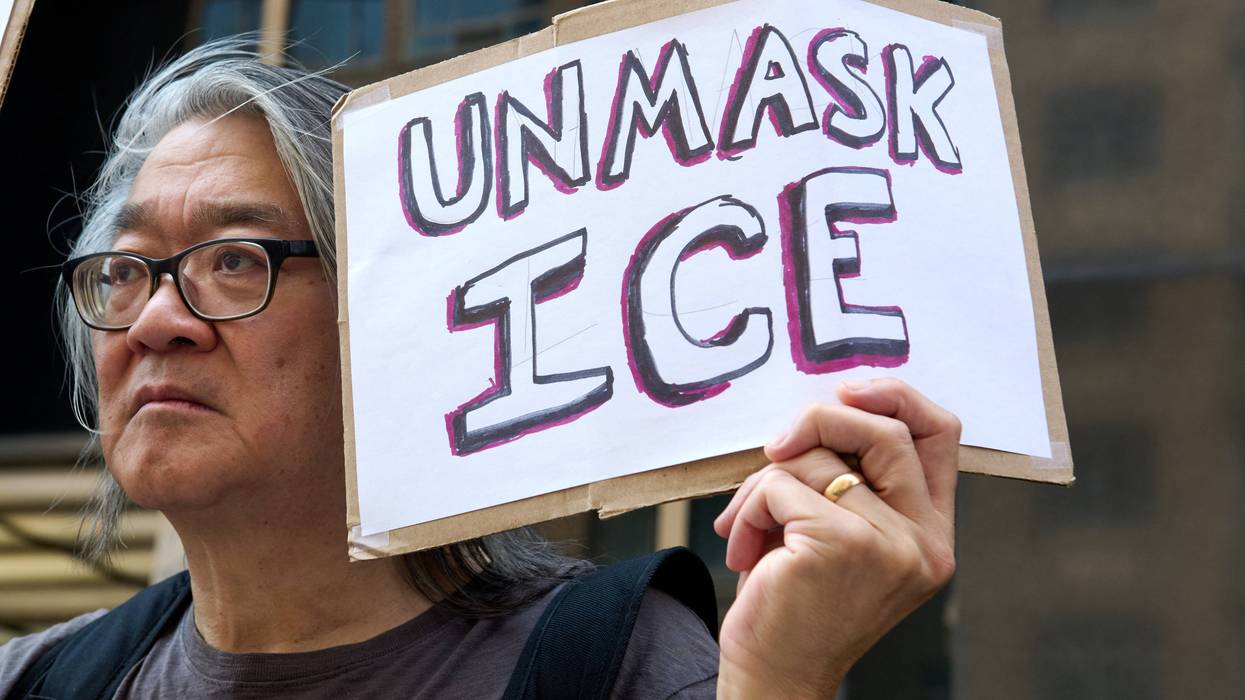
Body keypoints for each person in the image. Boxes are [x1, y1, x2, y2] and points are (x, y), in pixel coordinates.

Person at [0, 39, 959, 699]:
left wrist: (778, 683)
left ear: (389, 321)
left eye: (235, 260)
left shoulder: (626, 668)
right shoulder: (40, 680)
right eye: (125, 272)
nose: (159, 318)